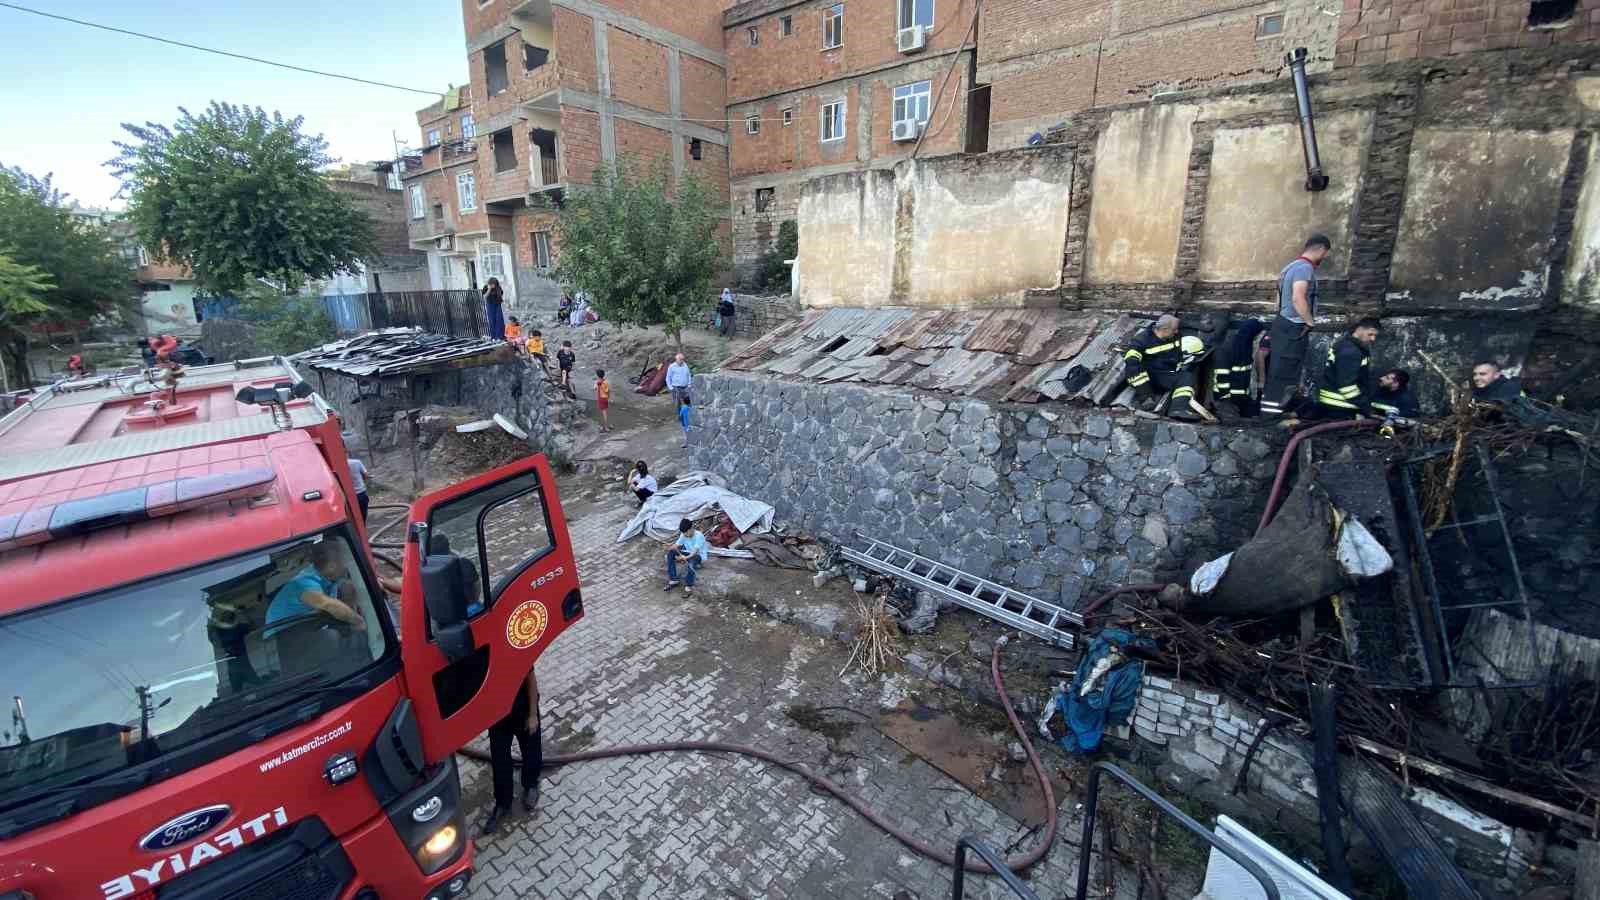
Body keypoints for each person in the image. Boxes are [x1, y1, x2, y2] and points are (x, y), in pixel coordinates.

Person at [1262, 234, 1332, 417]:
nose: (1324, 258)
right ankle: (1272, 417)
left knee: (1277, 371)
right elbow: (1298, 297)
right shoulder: (1304, 268)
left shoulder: (1289, 268)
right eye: (1325, 254)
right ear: (1321, 249)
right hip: (1294, 328)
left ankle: (1271, 413)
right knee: (1285, 374)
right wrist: (1309, 321)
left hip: (1282, 324)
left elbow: (1278, 299)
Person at [480, 668, 542, 836]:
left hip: (523, 709)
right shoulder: (478, 655)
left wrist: (532, 714)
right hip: (497, 716)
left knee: (531, 750)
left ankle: (531, 785)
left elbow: (530, 678)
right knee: (500, 761)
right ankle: (503, 803)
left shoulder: (512, 646)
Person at [264, 542, 365, 637]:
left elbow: (349, 585)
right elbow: (328, 604)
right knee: (331, 638)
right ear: (332, 566)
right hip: (278, 638)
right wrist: (359, 621)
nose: (348, 565)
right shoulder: (305, 582)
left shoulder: (329, 575)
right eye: (345, 561)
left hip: (303, 627)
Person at [1123, 314, 1199, 421]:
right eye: (1174, 329)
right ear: (1164, 329)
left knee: (1186, 377)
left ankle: (1179, 409)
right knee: (1133, 368)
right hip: (1149, 377)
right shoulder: (1142, 340)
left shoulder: (1174, 336)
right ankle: (1146, 398)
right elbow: (1131, 360)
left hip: (1165, 373)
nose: (1177, 332)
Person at [1312, 317, 1380, 419]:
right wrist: (1366, 407)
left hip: (1333, 402)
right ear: (1360, 329)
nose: (1373, 339)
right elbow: (1347, 386)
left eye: (1375, 336)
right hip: (1341, 406)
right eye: (1370, 334)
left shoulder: (1344, 344)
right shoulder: (1351, 352)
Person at [1211, 318, 1266, 417]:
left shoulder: (1245, 345)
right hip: (1226, 399)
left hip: (1241, 397)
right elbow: (1222, 376)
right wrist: (1225, 399)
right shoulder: (1228, 348)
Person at [664, 518, 708, 595]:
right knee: (671, 553)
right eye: (684, 533)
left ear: (691, 529)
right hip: (688, 553)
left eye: (686, 532)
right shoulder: (684, 534)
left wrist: (684, 558)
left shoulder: (699, 536)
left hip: (698, 556)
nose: (685, 535)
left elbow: (694, 553)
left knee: (691, 563)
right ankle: (673, 579)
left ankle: (688, 585)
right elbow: (677, 545)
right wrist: (670, 547)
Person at [347, 456, 370, 521]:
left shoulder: (336, 465)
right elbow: (365, 475)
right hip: (361, 493)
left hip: (347, 497)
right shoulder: (356, 462)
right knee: (363, 516)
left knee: (353, 519)